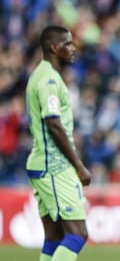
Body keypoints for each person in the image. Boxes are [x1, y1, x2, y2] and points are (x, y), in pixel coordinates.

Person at [25, 25, 91, 261]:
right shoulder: (49, 81)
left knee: (54, 237)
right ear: (55, 47)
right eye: (68, 44)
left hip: (42, 162)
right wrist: (78, 165)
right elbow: (52, 122)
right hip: (54, 166)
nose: (74, 49)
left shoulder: (41, 75)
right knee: (77, 234)